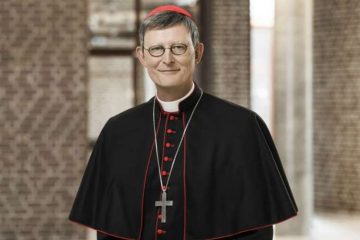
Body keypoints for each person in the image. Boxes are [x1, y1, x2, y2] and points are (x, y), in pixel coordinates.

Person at [69, 5, 298, 240]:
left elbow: (256, 231)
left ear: (197, 52)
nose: (167, 59)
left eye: (178, 48)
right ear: (142, 56)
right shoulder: (117, 132)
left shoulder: (242, 128)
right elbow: (108, 230)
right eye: (157, 49)